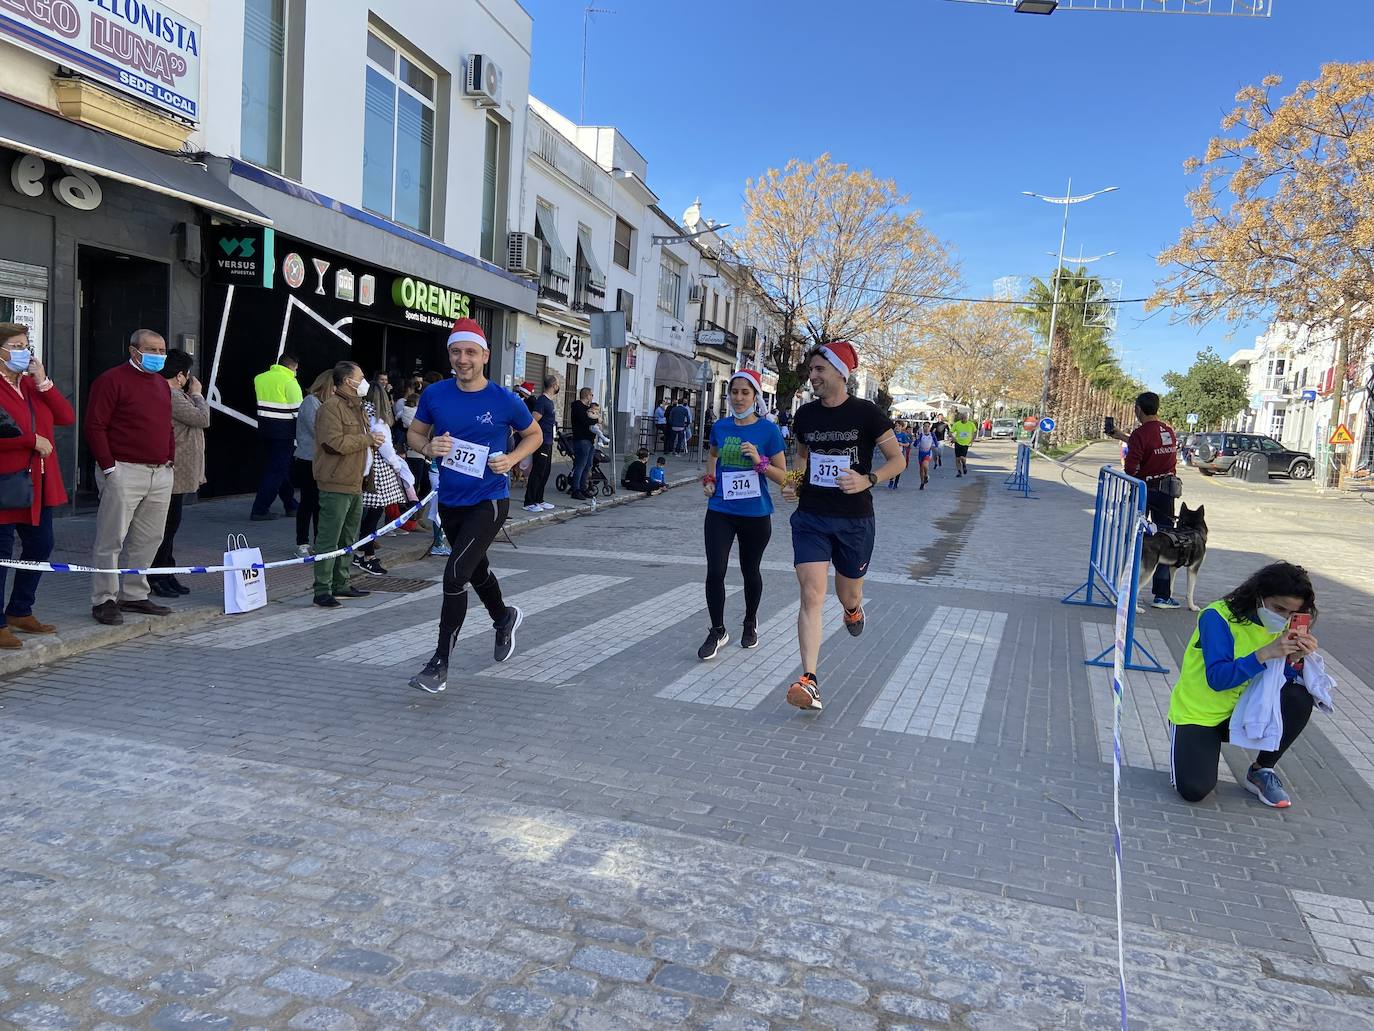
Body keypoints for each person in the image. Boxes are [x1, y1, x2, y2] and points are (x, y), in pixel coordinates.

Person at [405, 318, 542, 694]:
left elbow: (535, 434)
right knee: (476, 570)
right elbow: (415, 433)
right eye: (455, 351)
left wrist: (513, 459)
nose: (462, 359)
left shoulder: (504, 399)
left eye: (469, 352)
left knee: (455, 575)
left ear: (484, 355)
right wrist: (426, 447)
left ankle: (439, 664)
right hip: (451, 501)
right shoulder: (436, 395)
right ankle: (504, 616)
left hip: (489, 500)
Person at [781, 342, 905, 711]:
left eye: (819, 369)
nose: (812, 376)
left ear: (840, 372)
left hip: (854, 521)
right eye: (811, 370)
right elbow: (801, 460)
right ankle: (810, 680)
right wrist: (793, 483)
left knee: (847, 593)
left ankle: (853, 609)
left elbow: (897, 460)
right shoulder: (805, 416)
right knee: (811, 594)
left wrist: (869, 479)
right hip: (811, 518)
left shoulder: (867, 414)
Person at [1168, 562, 1322, 809]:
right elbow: (1218, 679)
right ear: (1258, 596)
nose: (1283, 618)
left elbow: (1276, 681)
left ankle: (1261, 770)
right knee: (1194, 790)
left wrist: (1295, 660)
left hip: (1246, 712)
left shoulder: (1286, 626)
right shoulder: (1217, 616)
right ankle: (1194, 747)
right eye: (1278, 608)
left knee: (1299, 696)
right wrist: (1265, 653)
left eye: (1291, 613)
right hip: (1200, 713)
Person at [85, 330, 177, 625]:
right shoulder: (111, 380)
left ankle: (135, 594)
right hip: (124, 470)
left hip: (160, 472)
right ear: (133, 350)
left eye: (162, 350)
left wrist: (170, 459)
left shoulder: (162, 385)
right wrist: (109, 467)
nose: (159, 355)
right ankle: (104, 599)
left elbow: (167, 425)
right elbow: (95, 425)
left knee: (150, 538)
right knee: (111, 538)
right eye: (152, 349)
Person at [698, 369, 787, 660]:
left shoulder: (768, 431)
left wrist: (760, 462)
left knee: (751, 571)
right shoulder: (720, 427)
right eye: (734, 392)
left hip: (755, 513)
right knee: (715, 571)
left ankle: (750, 622)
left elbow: (784, 477)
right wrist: (710, 481)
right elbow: (712, 455)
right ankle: (717, 629)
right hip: (721, 510)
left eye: (745, 393)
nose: (738, 398)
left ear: (755, 397)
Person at [0, 324, 73, 648]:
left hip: (39, 483)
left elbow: (66, 416)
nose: (25, 351)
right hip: (7, 483)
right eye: (16, 345)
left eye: (27, 345)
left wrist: (43, 381)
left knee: (41, 545)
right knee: (2, 553)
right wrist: (30, 441)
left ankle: (20, 610)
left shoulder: (31, 385)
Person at [311, 361, 381, 608]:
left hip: (355, 482)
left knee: (348, 537)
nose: (364, 382)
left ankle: (341, 583)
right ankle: (322, 589)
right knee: (330, 537)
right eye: (360, 377)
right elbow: (333, 443)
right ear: (347, 381)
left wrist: (370, 442)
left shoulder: (358, 408)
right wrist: (367, 439)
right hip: (336, 482)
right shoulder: (331, 408)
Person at [1110, 391, 1182, 610]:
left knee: (1133, 538)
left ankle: (1123, 589)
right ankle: (1162, 595)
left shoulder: (1141, 433)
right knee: (1165, 539)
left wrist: (1137, 471)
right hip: (1166, 492)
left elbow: (1131, 467)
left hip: (1143, 492)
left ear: (1138, 409)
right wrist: (1123, 437)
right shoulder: (1167, 430)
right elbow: (1157, 451)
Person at [148, 350, 209, 598]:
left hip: (179, 472)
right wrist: (197, 394)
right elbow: (203, 417)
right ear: (181, 375)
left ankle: (166, 571)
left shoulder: (174, 394)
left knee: (170, 526)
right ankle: (156, 575)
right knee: (165, 527)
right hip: (172, 470)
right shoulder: (171, 394)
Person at [352, 388, 416, 576]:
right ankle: (368, 557)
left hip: (368, 468)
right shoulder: (377, 420)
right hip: (379, 472)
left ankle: (362, 552)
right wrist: (397, 465)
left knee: (368, 515)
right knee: (373, 515)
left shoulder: (362, 413)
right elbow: (385, 447)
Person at [250, 351, 302, 520]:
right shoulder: (290, 381)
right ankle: (260, 509)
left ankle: (291, 505)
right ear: (293, 367)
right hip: (284, 432)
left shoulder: (260, 378)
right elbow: (298, 412)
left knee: (280, 469)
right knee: (276, 471)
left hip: (265, 429)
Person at [292, 371, 331, 558]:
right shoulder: (310, 401)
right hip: (308, 459)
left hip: (322, 460)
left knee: (320, 503)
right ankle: (302, 542)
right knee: (308, 501)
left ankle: (319, 541)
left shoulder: (326, 404)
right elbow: (317, 429)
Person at [523, 372, 558, 513]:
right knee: (538, 471)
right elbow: (533, 420)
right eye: (558, 385)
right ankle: (529, 501)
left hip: (549, 440)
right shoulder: (542, 401)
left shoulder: (549, 401)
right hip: (541, 441)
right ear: (554, 385)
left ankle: (539, 499)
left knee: (545, 471)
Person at [570, 386, 597, 500]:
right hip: (581, 440)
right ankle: (575, 489)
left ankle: (583, 488)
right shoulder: (578, 407)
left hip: (590, 440)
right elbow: (585, 421)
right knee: (580, 465)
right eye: (591, 395)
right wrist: (597, 420)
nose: (592, 397)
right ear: (587, 395)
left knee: (588, 465)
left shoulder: (587, 408)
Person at [949, 410, 976, 477]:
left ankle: (964, 465)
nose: (964, 419)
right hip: (958, 442)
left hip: (966, 443)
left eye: (965, 417)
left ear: (967, 418)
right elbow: (950, 432)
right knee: (957, 458)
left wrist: (972, 439)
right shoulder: (957, 424)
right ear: (961, 418)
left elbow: (974, 432)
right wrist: (953, 438)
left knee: (962, 457)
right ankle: (959, 472)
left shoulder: (971, 424)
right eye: (963, 417)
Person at [889, 421, 913, 489]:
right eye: (896, 426)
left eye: (899, 426)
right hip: (891, 454)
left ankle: (896, 482)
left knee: (898, 469)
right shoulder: (891, 434)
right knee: (891, 468)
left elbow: (907, 444)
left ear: (902, 427)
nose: (897, 427)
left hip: (900, 454)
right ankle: (891, 480)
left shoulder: (903, 435)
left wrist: (901, 444)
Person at [916, 422, 936, 490]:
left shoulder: (932, 435)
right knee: (921, 469)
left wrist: (934, 446)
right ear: (923, 427)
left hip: (928, 453)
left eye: (928, 426)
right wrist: (917, 439)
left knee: (925, 465)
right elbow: (915, 444)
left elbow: (936, 444)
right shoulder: (921, 435)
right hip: (921, 453)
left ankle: (927, 475)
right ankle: (922, 483)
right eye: (925, 426)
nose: (926, 428)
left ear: (930, 428)